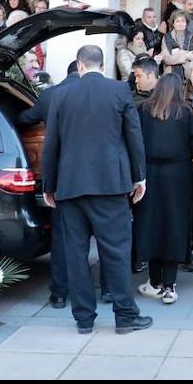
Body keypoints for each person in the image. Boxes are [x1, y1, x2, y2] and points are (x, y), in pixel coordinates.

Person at [42, 45, 150, 335]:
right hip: (110, 184)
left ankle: (84, 319)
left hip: (71, 185)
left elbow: (51, 144)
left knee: (75, 254)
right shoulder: (119, 91)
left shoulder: (60, 95)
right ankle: (125, 316)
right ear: (102, 66)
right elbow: (134, 137)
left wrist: (48, 185)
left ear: (79, 65)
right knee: (116, 251)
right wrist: (139, 177)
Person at [18, 61, 88, 308]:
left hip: (63, 177)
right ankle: (108, 290)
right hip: (99, 177)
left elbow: (26, 119)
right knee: (102, 235)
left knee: (62, 237)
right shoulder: (101, 92)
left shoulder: (50, 95)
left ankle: (59, 292)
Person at [133, 73, 193, 306]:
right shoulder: (186, 110)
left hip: (150, 174)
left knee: (151, 225)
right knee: (174, 225)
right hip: (179, 174)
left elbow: (136, 140)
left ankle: (154, 282)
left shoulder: (143, 109)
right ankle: (170, 286)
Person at [159, 10, 193, 78]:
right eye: (177, 21)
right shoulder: (166, 37)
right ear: (173, 23)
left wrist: (177, 56)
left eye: (183, 21)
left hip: (189, 74)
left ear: (186, 23)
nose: (180, 23)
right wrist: (186, 55)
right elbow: (166, 59)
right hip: (170, 75)